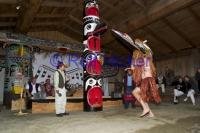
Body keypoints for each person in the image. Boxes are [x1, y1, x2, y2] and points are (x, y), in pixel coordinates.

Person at [131, 48, 161, 118]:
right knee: (142, 97)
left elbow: (132, 67)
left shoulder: (143, 60)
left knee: (135, 92)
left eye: (134, 55)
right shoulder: (147, 60)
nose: (134, 56)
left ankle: (146, 108)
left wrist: (132, 62)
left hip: (147, 80)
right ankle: (150, 113)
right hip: (148, 80)